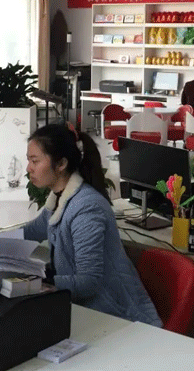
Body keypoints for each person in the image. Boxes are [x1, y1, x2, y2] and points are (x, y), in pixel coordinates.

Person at [23, 123, 161, 327]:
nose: (29, 169)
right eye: (29, 161)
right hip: (87, 313)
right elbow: (30, 232)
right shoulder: (58, 200)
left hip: (119, 318)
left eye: (35, 161)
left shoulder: (86, 208)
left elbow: (88, 282)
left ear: (61, 164)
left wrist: (40, 280)